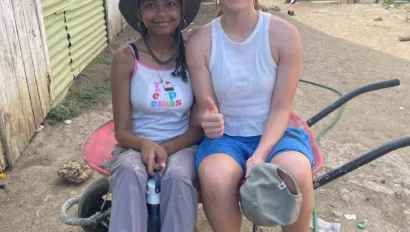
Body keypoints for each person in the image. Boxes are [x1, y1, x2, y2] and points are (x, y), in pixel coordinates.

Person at [186, 0, 314, 231]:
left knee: (296, 170)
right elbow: (206, 106)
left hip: (275, 132)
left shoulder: (284, 34)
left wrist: (260, 153)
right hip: (225, 138)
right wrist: (209, 119)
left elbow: (281, 108)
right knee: (215, 177)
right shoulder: (199, 42)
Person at [108, 0, 202, 231]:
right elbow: (121, 130)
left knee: (178, 176)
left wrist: (166, 149)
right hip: (134, 145)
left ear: (181, 11)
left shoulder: (193, 57)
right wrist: (145, 144)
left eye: (170, 4)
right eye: (151, 5)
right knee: (130, 171)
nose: (161, 13)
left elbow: (197, 129)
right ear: (139, 13)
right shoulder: (125, 58)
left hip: (182, 145)